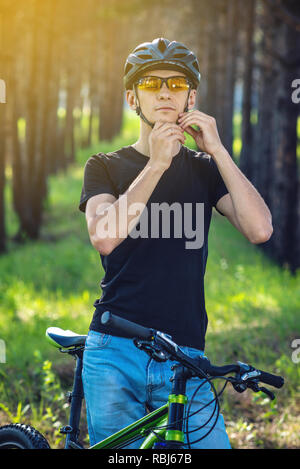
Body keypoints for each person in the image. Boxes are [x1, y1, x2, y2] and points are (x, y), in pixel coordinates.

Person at [79, 38, 273, 449]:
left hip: (186, 354)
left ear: (191, 96)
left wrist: (218, 150)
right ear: (132, 96)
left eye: (177, 83)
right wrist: (156, 164)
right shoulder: (105, 166)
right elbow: (105, 237)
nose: (165, 91)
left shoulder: (205, 170)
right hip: (115, 352)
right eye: (150, 83)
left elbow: (260, 230)